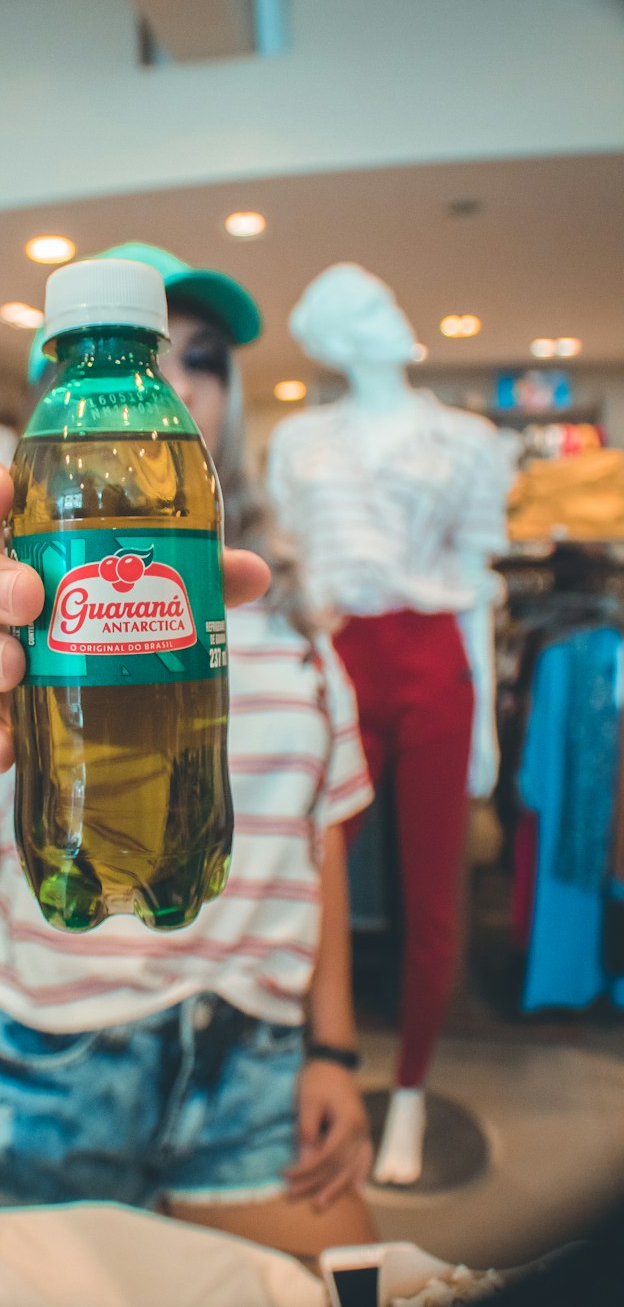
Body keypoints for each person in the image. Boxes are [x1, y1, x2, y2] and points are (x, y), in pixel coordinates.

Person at [0, 242, 377, 1260]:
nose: (180, 383)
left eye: (198, 358)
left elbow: (321, 834)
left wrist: (332, 1046)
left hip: (254, 1055)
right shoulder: (20, 561)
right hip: (47, 1048)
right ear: (52, 390)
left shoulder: (290, 605)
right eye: (168, 355)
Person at [268, 263, 510, 1186]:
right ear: (332, 337)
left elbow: (479, 590)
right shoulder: (299, 441)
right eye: (366, 306)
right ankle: (303, 1061)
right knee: (309, 864)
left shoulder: (469, 441)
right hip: (339, 659)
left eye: (385, 296)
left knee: (431, 890)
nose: (393, 311)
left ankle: (410, 1089)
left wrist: (481, 715)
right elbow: (294, 575)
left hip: (435, 657)